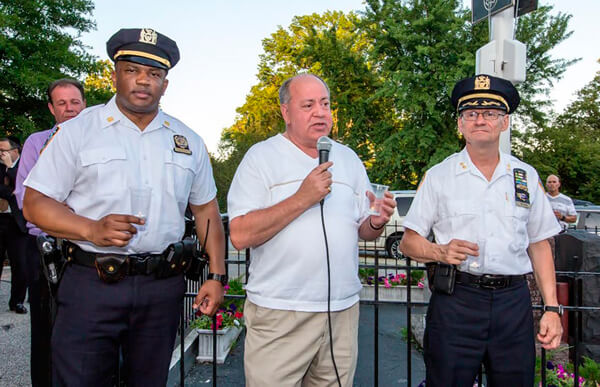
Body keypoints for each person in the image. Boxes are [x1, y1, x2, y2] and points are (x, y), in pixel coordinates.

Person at [23, 28, 226, 386]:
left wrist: (216, 276)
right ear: (115, 74)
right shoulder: (78, 132)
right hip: (91, 282)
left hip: (161, 288)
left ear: (165, 84)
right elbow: (34, 203)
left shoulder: (188, 141)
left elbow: (207, 211)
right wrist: (90, 228)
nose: (143, 81)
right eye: (132, 70)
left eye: (154, 74)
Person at [227, 73, 396, 386]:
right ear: (286, 112)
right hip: (281, 313)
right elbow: (239, 234)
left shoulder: (349, 158)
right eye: (308, 105)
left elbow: (363, 230)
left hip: (341, 314)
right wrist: (302, 198)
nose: (320, 112)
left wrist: (376, 221)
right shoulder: (261, 158)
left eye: (325, 103)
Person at [399, 74, 563, 386]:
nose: (480, 120)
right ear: (460, 125)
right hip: (456, 302)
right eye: (471, 114)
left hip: (512, 304)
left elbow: (540, 244)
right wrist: (440, 252)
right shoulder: (439, 176)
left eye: (490, 113)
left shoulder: (525, 177)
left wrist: (552, 308)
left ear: (504, 123)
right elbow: (409, 242)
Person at [14, 78, 86, 387]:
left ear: (85, 104)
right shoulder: (36, 142)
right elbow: (24, 196)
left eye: (75, 102)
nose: (69, 109)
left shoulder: (102, 142)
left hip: (88, 247)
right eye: (62, 103)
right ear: (51, 108)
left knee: (89, 329)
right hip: (44, 246)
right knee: (45, 328)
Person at [0, 136, 27, 314]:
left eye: (3, 150)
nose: (0, 154)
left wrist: (10, 168)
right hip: (0, 219)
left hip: (17, 222)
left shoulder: (25, 166)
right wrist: (12, 193)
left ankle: (17, 301)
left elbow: (23, 189)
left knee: (20, 265)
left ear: (15, 151)